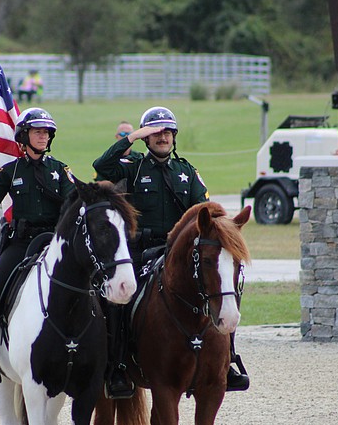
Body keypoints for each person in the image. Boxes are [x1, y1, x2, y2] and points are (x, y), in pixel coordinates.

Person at [93, 106, 250, 396]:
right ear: (146, 138)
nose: (162, 137)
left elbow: (206, 212)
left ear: (173, 136)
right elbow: (102, 165)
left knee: (224, 287)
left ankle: (228, 359)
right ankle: (116, 365)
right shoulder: (133, 167)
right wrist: (132, 137)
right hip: (142, 250)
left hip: (182, 252)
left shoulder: (186, 172)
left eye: (166, 132)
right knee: (120, 296)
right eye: (155, 133)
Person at [0, 108, 75, 388]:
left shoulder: (60, 170)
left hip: (53, 243)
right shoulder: (11, 172)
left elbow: (74, 203)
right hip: (21, 243)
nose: (43, 137)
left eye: (47, 133)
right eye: (38, 132)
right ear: (24, 137)